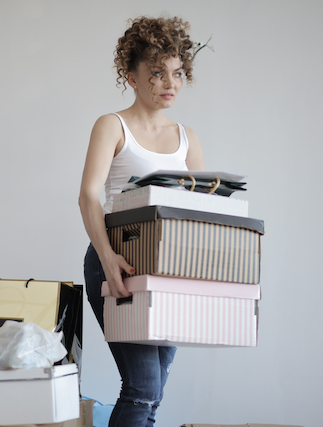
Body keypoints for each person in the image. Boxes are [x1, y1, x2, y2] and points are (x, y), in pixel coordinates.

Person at [78, 16, 205, 427]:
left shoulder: (188, 137)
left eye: (177, 73)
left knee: (154, 392)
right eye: (156, 74)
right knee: (143, 386)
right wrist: (107, 256)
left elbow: (200, 212)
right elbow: (89, 196)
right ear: (131, 77)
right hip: (118, 259)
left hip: (168, 268)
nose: (170, 83)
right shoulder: (112, 125)